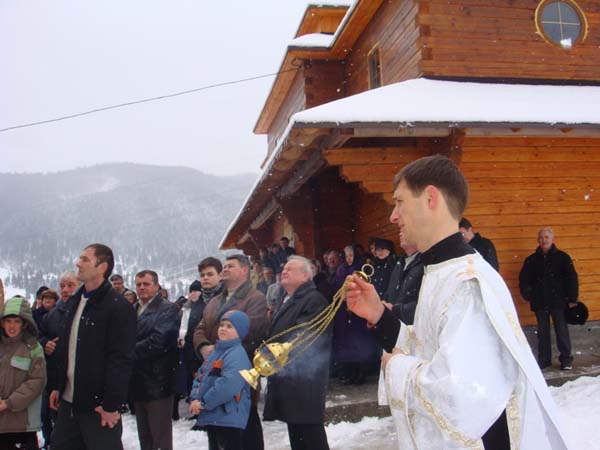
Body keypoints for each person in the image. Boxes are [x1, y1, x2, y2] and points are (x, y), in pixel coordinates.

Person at [345, 155, 573, 450]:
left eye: (399, 202)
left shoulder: (466, 283)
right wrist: (379, 314)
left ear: (430, 198)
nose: (393, 216)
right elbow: (432, 348)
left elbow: (462, 393)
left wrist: (397, 367)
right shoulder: (441, 271)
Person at [50, 243, 136, 450]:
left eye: (85, 259)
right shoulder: (74, 302)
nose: (77, 263)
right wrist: (57, 385)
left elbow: (121, 359)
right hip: (69, 402)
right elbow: (67, 348)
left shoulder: (118, 307)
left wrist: (110, 405)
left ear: (102, 267)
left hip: (97, 407)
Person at [193, 254, 269, 450]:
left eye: (230, 266)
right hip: (212, 372)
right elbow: (200, 328)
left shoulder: (255, 298)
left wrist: (221, 352)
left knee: (244, 433)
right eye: (224, 266)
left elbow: (253, 331)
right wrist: (203, 346)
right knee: (216, 435)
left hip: (239, 374)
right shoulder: (214, 301)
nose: (224, 269)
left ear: (244, 270)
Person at [263, 256, 332, 450]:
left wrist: (271, 354)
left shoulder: (313, 300)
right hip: (291, 379)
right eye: (284, 267)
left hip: (305, 380)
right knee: (298, 437)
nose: (284, 270)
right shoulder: (288, 299)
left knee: (311, 438)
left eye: (291, 269)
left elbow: (304, 338)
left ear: (305, 275)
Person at [189, 310, 252, 450]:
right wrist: (195, 399)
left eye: (230, 326)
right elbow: (200, 377)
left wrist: (204, 402)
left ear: (240, 331)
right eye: (222, 325)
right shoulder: (216, 352)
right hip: (214, 415)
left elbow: (228, 385)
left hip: (228, 418)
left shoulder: (237, 354)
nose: (223, 328)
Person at [131, 270, 180, 450]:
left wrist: (127, 353)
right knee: (144, 436)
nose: (142, 288)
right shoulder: (133, 309)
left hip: (158, 381)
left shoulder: (167, 309)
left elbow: (160, 341)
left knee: (159, 437)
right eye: (138, 284)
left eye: (146, 284)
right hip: (137, 381)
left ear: (157, 286)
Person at [519, 227, 578, 371]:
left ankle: (566, 359)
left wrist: (572, 298)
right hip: (540, 301)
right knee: (543, 331)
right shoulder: (531, 260)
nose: (543, 240)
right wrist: (528, 294)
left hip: (559, 301)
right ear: (538, 240)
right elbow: (524, 279)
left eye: (546, 237)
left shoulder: (563, 257)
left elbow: (572, 278)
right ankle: (544, 360)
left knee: (561, 330)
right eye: (541, 237)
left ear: (552, 239)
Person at [38, 272, 79, 450]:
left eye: (70, 285)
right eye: (62, 286)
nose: (65, 290)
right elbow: (40, 336)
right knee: (60, 430)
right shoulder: (52, 315)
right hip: (56, 380)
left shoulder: (88, 310)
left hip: (82, 381)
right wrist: (45, 344)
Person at [0, 295, 47, 450]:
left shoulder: (33, 349)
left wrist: (8, 403)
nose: (11, 326)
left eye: (17, 321)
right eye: (8, 321)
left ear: (25, 324)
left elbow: (37, 381)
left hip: (22, 426)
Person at [332, 245, 379, 385]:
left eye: (351, 255)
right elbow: (336, 286)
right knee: (347, 344)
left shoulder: (362, 268)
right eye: (346, 256)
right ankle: (350, 373)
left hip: (358, 312)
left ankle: (361, 373)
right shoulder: (341, 270)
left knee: (359, 342)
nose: (348, 258)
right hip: (344, 313)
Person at [381, 236, 423, 326]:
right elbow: (390, 290)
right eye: (400, 228)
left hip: (413, 330)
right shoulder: (399, 263)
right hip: (393, 326)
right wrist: (382, 304)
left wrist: (395, 310)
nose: (400, 233)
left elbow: (427, 305)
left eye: (404, 227)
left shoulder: (425, 262)